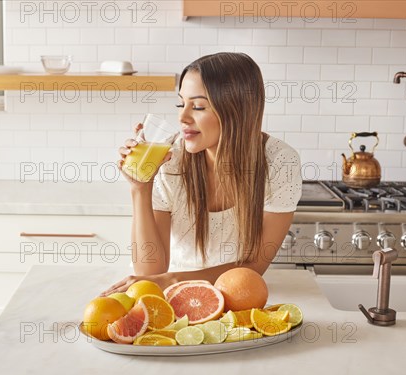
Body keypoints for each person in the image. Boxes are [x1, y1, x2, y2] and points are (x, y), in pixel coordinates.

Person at [101, 52, 302, 296]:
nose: (182, 117)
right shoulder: (168, 158)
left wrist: (171, 279)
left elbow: (253, 267)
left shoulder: (280, 162)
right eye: (180, 103)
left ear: (237, 110)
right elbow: (149, 274)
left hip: (234, 294)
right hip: (170, 295)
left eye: (197, 106)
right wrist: (140, 188)